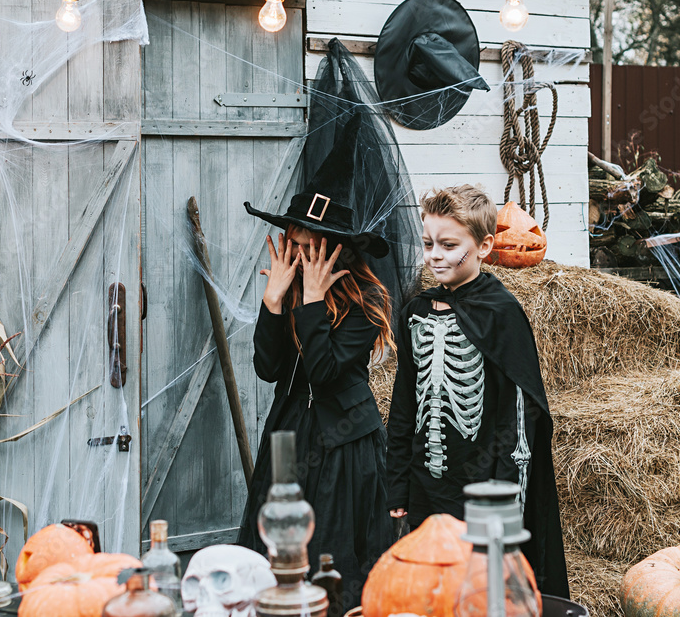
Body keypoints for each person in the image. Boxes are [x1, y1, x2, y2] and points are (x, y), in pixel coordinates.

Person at [385, 185, 570, 598]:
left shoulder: (500, 312)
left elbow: (520, 418)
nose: (434, 255)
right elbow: (404, 404)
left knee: (478, 591)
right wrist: (397, 483)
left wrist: (504, 503)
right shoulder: (415, 312)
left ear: (485, 247)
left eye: (449, 245)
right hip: (423, 483)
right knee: (428, 588)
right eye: (428, 242)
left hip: (480, 486)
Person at [238, 153, 397, 610]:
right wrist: (273, 303)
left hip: (345, 440)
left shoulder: (367, 299)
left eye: (311, 247)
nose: (300, 254)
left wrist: (310, 300)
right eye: (295, 242)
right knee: (282, 550)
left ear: (336, 248)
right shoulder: (287, 288)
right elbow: (268, 369)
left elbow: (325, 373)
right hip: (291, 432)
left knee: (333, 547)